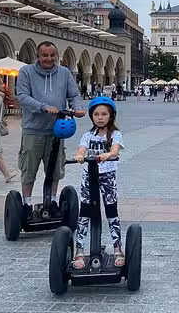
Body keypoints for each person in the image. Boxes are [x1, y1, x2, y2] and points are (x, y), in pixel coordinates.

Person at [16, 41, 85, 220]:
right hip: (33, 129)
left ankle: (53, 201)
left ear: (57, 56)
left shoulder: (64, 73)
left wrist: (77, 108)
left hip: (57, 130)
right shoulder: (26, 72)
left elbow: (74, 94)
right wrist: (42, 107)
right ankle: (26, 203)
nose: (48, 59)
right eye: (44, 55)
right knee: (29, 169)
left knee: (55, 168)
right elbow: (22, 96)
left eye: (52, 55)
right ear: (38, 56)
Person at [72, 97, 124, 270]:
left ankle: (117, 248)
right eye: (96, 114)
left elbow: (116, 149)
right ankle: (79, 249)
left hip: (107, 176)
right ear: (91, 116)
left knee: (111, 211)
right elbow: (81, 149)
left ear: (111, 116)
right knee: (85, 212)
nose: (100, 117)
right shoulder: (88, 135)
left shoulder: (115, 134)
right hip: (89, 177)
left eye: (104, 114)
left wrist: (108, 154)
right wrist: (80, 155)